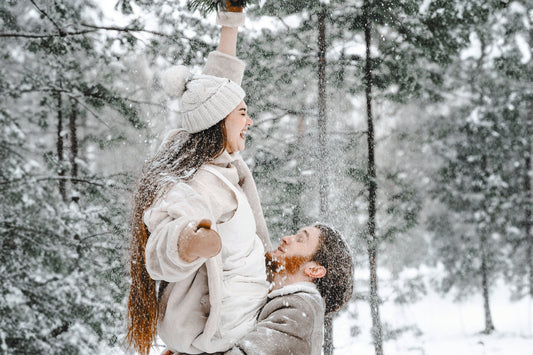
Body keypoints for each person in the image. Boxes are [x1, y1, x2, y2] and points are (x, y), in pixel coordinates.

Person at [126, 4, 272, 355]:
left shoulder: (220, 160)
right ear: (220, 121)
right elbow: (160, 249)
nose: (249, 121)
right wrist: (186, 244)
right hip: (216, 335)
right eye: (243, 114)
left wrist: (231, 21)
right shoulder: (192, 183)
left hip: (244, 321)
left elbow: (221, 85)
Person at [225, 223, 354, 355]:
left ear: (314, 270)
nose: (286, 238)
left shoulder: (300, 313)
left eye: (300, 239)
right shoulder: (292, 306)